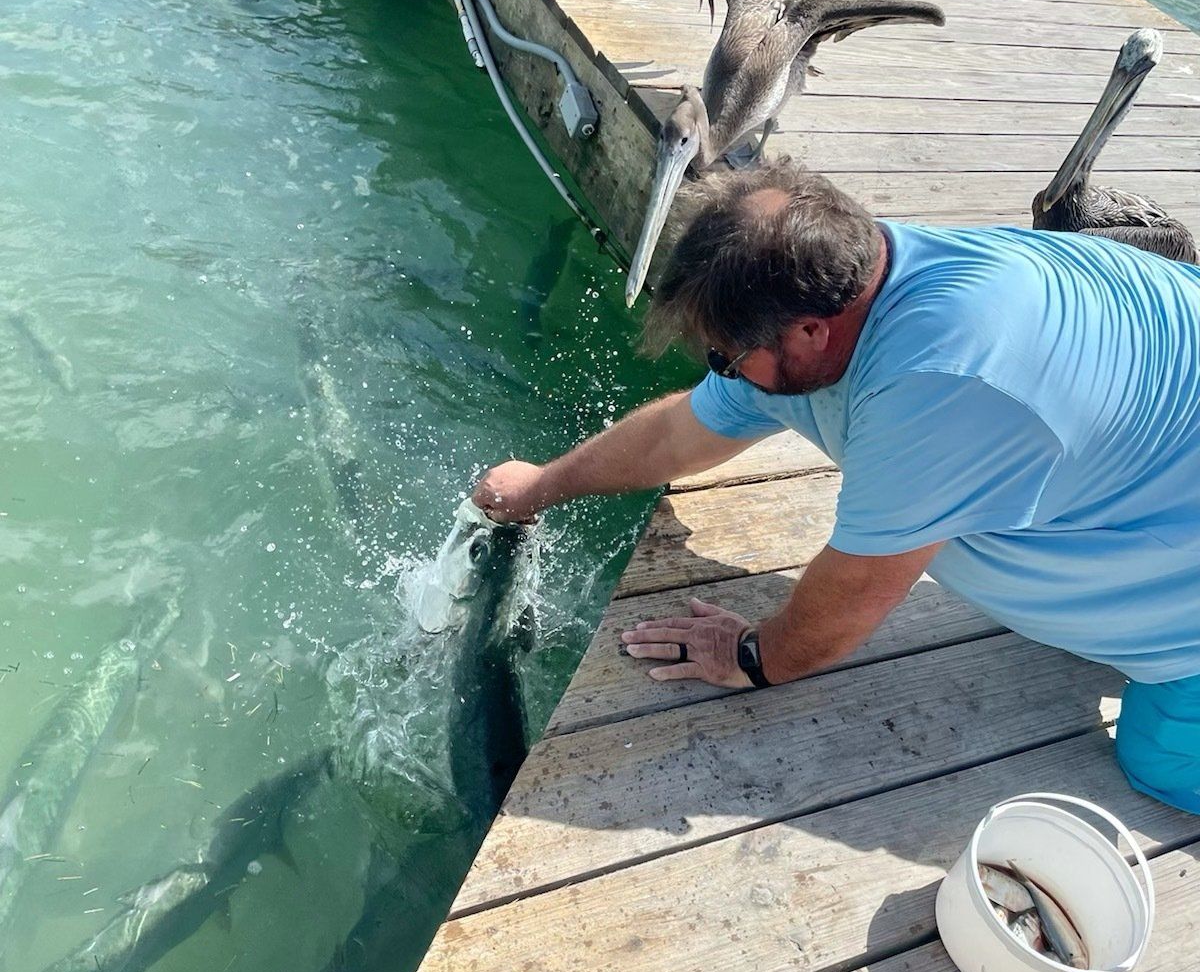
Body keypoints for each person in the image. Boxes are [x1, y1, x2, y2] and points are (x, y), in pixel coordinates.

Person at [473, 163, 1200, 817]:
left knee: (1159, 763)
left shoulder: (941, 382)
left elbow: (855, 594)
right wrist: (542, 485)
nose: (717, 371)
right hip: (1160, 477)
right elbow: (679, 434)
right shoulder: (851, 281)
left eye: (725, 357)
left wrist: (756, 656)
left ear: (813, 334)